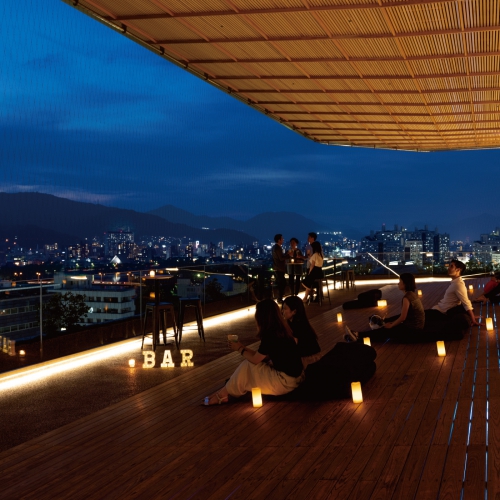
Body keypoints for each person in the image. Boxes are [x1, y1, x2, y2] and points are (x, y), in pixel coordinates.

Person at [204, 299, 305, 405]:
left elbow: (256, 360)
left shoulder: (270, 335)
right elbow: (262, 356)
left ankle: (222, 394)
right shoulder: (280, 330)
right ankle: (223, 392)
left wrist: (239, 349)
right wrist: (242, 346)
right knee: (249, 366)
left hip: (285, 382)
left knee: (247, 366)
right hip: (296, 378)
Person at [344, 273, 425, 343]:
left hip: (412, 329)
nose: (398, 283)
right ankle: (359, 334)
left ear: (405, 284)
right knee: (389, 325)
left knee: (385, 331)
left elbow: (403, 317)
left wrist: (392, 325)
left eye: (400, 281)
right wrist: (392, 323)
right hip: (416, 326)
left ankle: (358, 336)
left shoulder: (407, 298)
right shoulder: (412, 295)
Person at [426, 260, 479, 326]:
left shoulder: (458, 285)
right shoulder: (455, 283)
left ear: (458, 270)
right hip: (439, 309)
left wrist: (473, 319)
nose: (448, 268)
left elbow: (466, 302)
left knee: (420, 316)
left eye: (451, 266)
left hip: (442, 312)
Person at [283, 296, 321, 368]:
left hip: (309, 360)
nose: (282, 311)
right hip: (305, 356)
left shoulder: (298, 325)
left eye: (285, 308)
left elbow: (292, 345)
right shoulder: (292, 322)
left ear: (294, 311)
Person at [272, 233, 287, 303]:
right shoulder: (278, 248)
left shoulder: (274, 247)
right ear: (279, 240)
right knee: (282, 283)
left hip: (276, 268)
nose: (283, 240)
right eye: (282, 239)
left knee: (281, 283)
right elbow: (281, 258)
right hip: (279, 268)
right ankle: (279, 298)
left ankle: (280, 298)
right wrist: (288, 255)